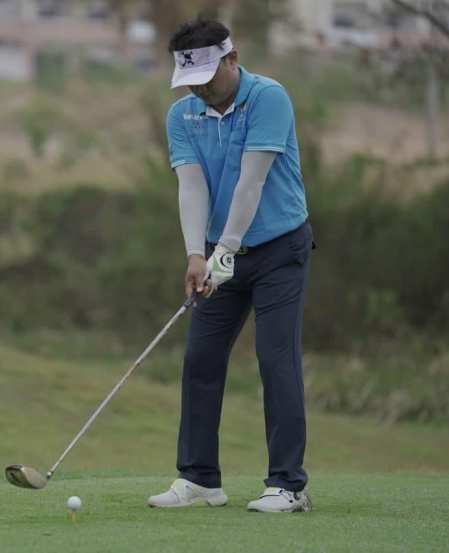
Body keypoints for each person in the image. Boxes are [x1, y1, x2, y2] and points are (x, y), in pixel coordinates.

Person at [147, 17, 315, 513]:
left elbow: (251, 181)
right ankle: (200, 480)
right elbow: (191, 186)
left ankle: (287, 485)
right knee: (200, 360)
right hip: (219, 252)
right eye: (190, 81)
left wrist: (226, 248)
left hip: (280, 249)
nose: (199, 89)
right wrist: (196, 253)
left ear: (232, 59)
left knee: (275, 359)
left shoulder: (268, 98)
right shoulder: (182, 115)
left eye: (206, 78)